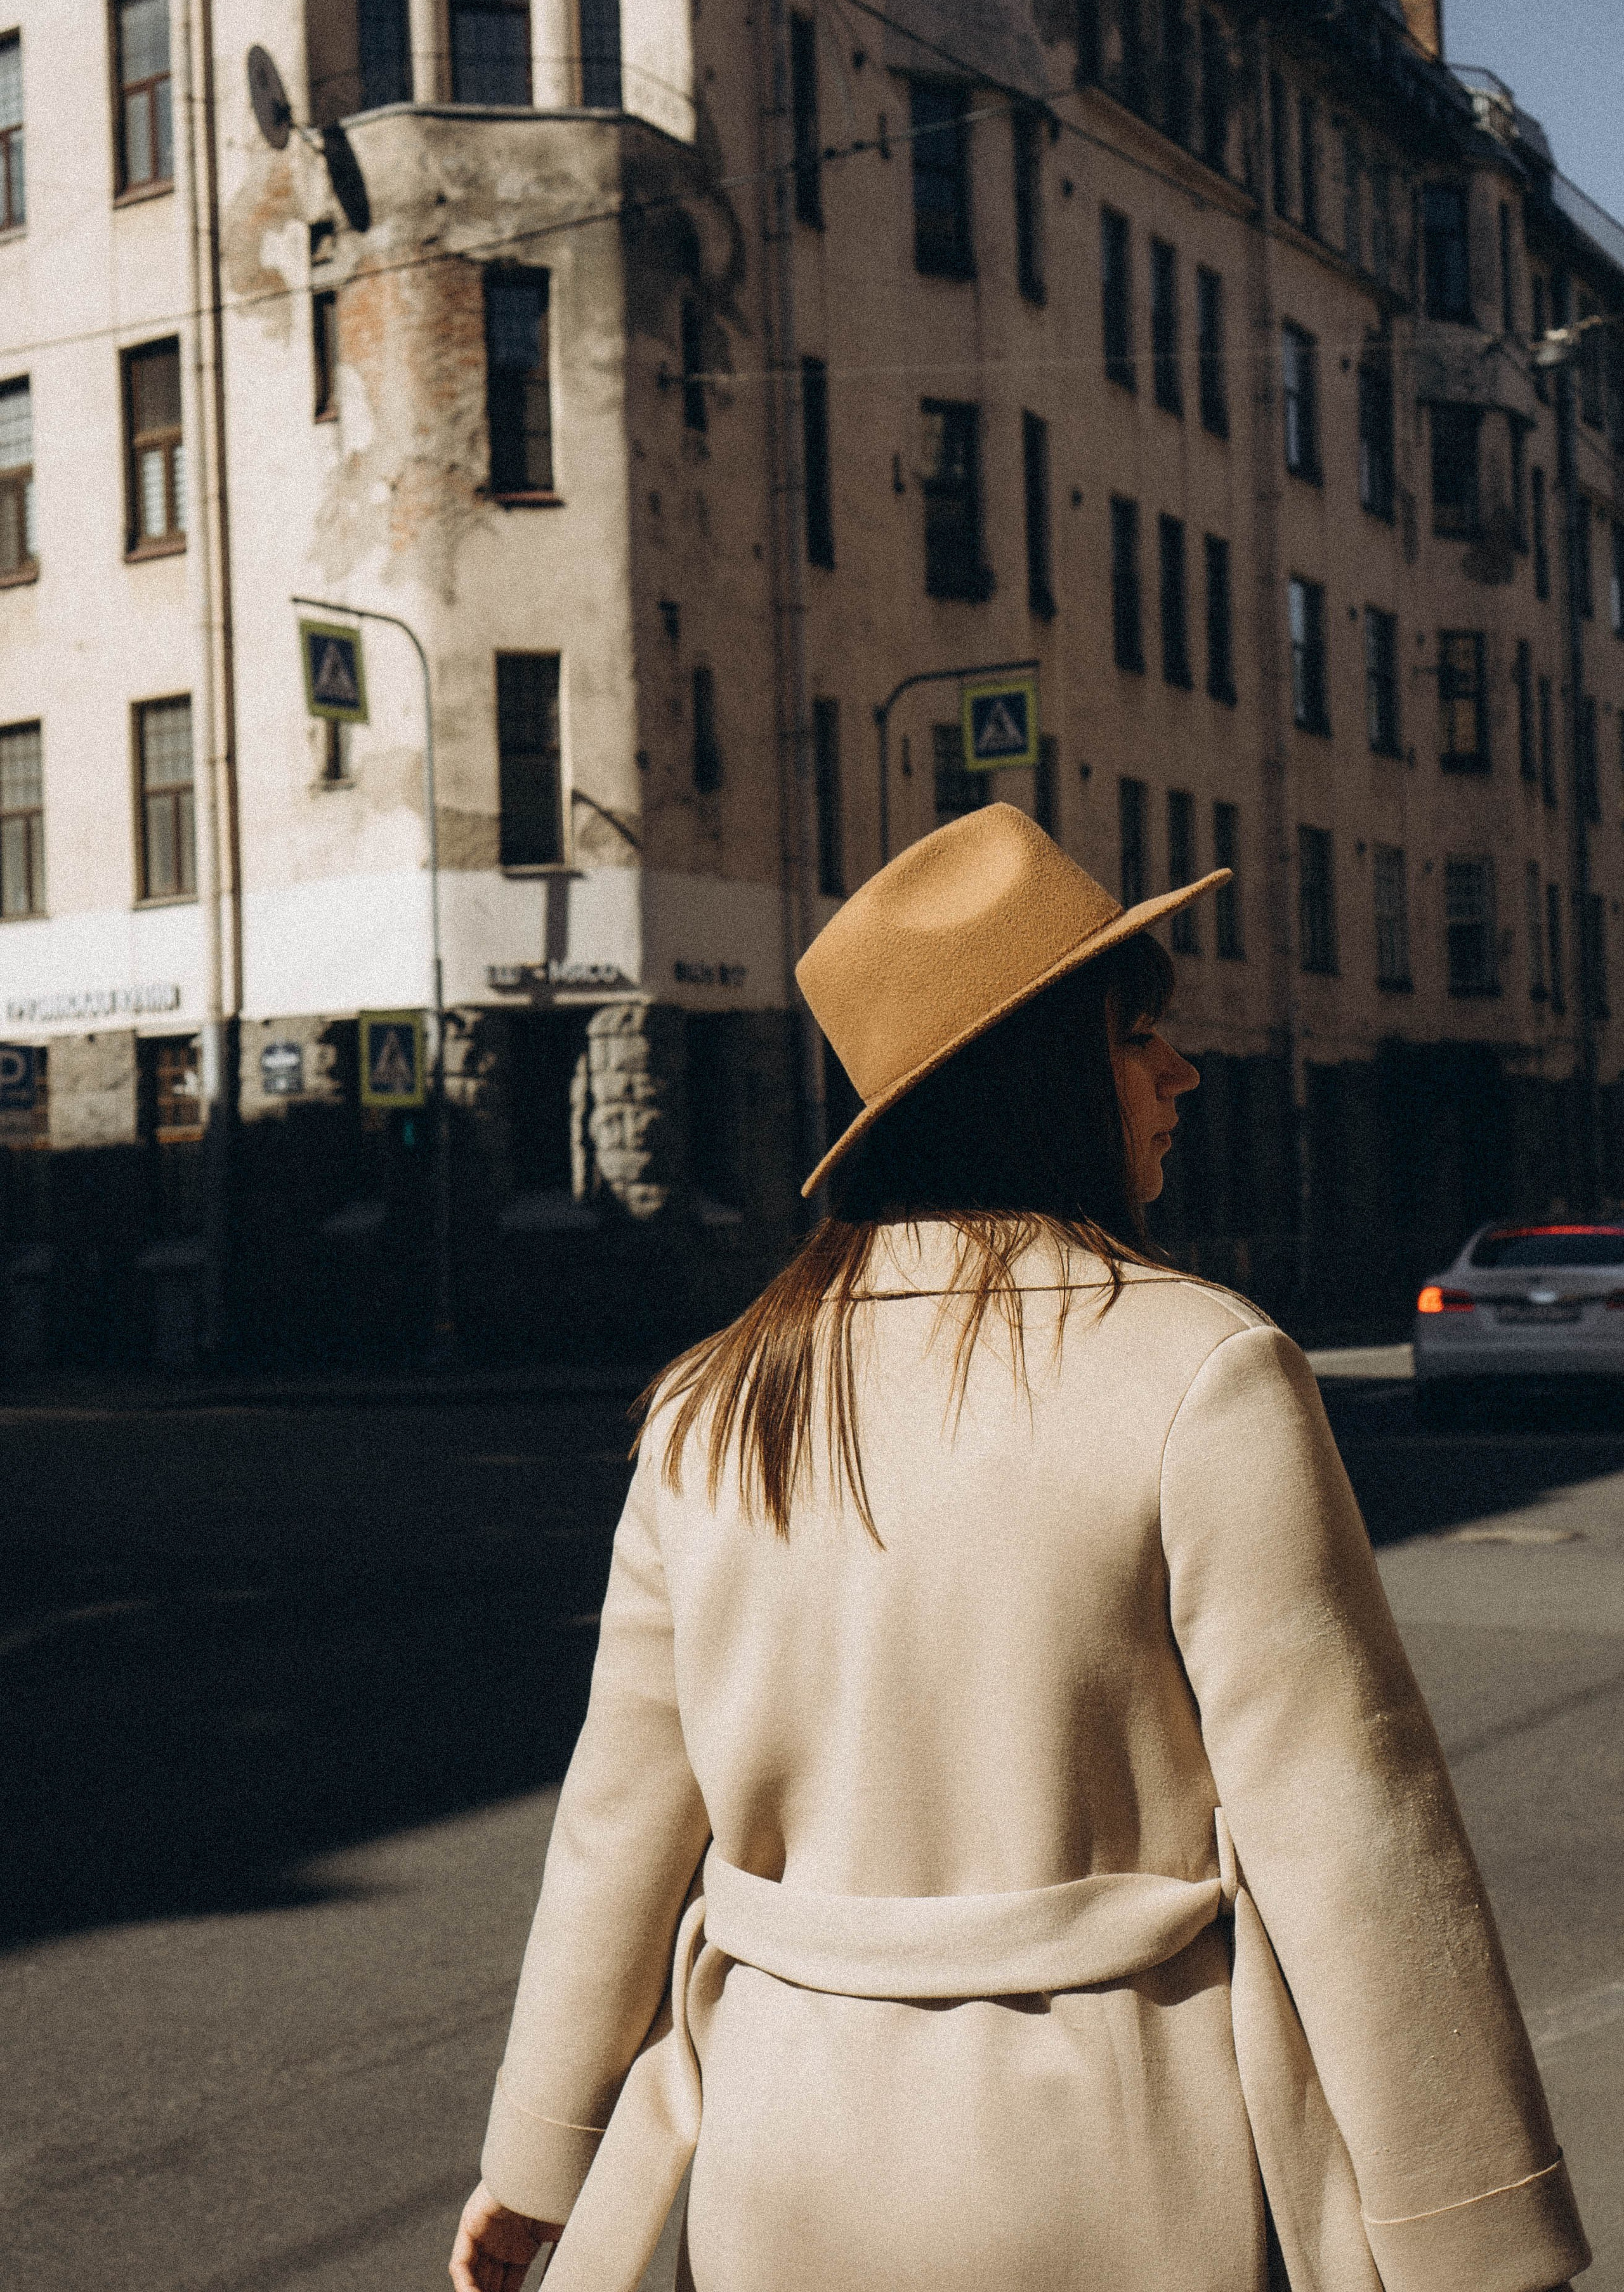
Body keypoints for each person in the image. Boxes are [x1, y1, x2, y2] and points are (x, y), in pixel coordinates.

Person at [452, 805, 1588, 2292]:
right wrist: (1475, 2240)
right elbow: (1349, 1828)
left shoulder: (714, 1398)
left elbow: (619, 1828)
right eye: (1133, 1037)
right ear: (1034, 1080)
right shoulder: (1200, 1368)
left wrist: (535, 2165)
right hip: (1117, 2158)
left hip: (781, 2169)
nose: (1180, 1069)